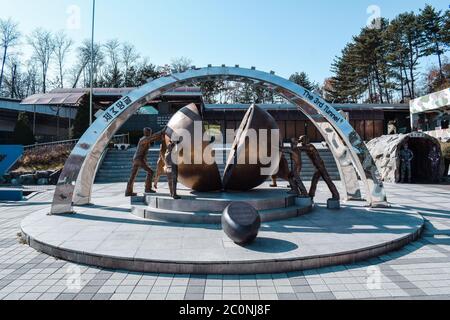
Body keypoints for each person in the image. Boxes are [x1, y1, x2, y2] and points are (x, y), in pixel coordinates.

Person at [298, 135, 340, 201]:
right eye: (300, 140)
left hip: (320, 167)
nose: (300, 142)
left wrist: (294, 146)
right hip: (318, 167)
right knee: (315, 181)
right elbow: (301, 148)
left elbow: (301, 148)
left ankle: (336, 195)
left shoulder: (310, 146)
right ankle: (311, 195)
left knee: (327, 181)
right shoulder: (307, 146)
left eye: (301, 140)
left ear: (305, 140)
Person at [125, 128, 164, 197]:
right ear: (145, 132)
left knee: (132, 176)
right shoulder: (144, 139)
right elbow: (153, 137)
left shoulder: (145, 139)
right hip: (139, 159)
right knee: (151, 172)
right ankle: (147, 188)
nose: (149, 133)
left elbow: (154, 138)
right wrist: (162, 131)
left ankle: (128, 191)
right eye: (148, 132)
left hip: (137, 159)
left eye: (150, 132)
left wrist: (162, 136)